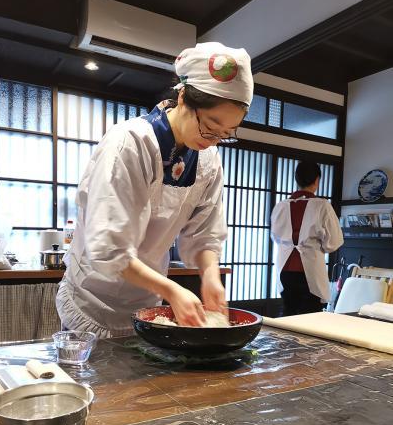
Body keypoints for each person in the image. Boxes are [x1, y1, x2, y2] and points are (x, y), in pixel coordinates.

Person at [56, 42, 254, 338]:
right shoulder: (129, 143)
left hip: (145, 304)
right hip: (92, 300)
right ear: (184, 96)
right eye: (210, 126)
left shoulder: (208, 161)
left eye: (226, 134)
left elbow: (205, 233)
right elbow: (108, 248)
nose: (214, 140)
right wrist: (170, 289)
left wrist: (210, 275)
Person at [271, 161, 343, 316]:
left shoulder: (281, 206)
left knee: (289, 312)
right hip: (310, 270)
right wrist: (318, 245)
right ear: (317, 180)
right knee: (310, 316)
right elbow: (334, 242)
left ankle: (284, 341)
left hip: (285, 268)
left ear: (297, 179)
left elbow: (275, 236)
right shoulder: (322, 205)